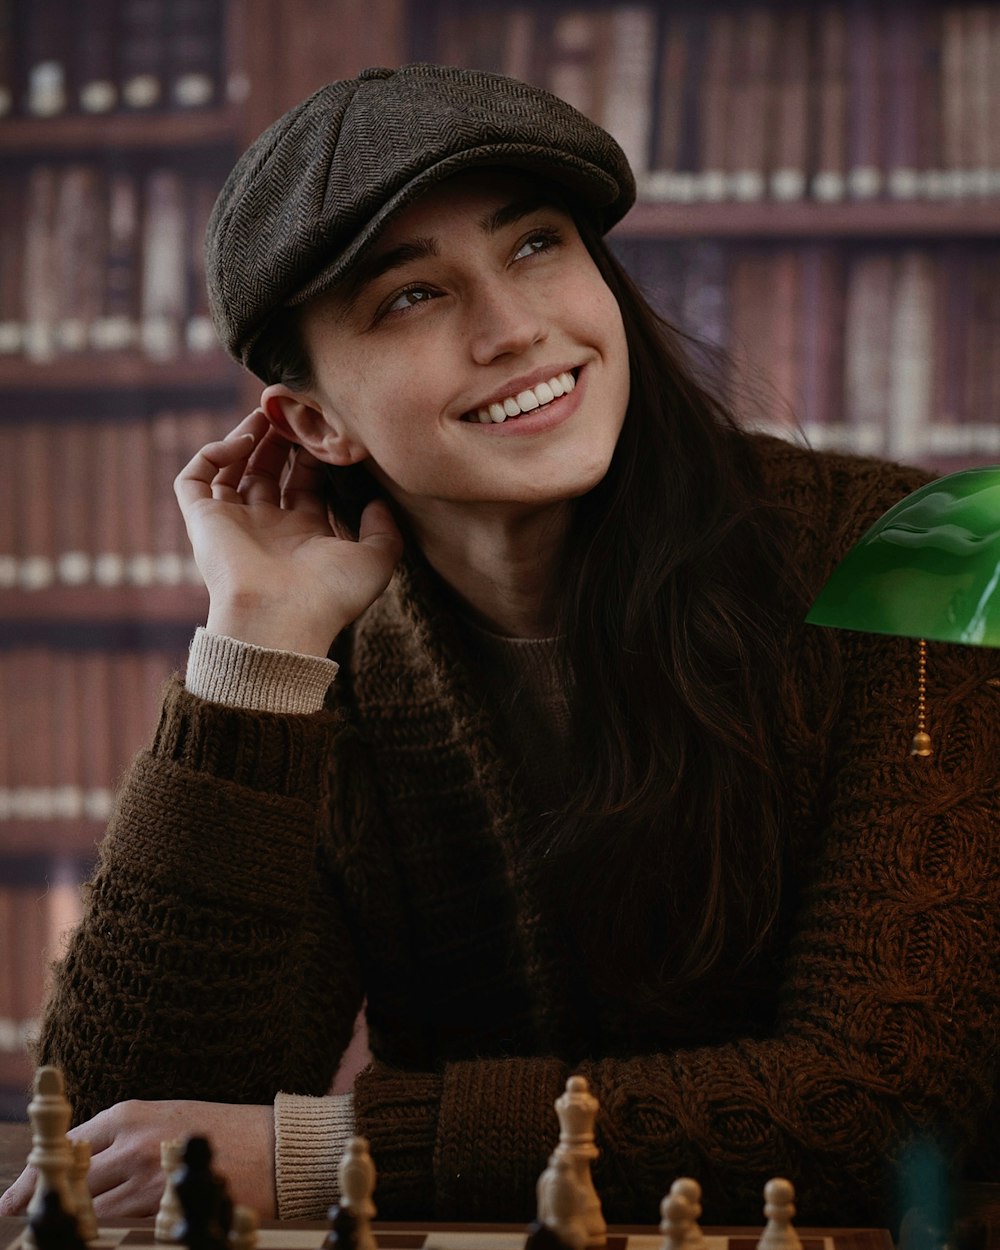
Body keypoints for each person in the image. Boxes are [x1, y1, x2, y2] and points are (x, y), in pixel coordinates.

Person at [2, 62, 998, 1232]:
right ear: (316, 421)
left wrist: (334, 1149)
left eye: (534, 245)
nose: (514, 327)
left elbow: (882, 1107)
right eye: (410, 297)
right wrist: (256, 649)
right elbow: (114, 1141)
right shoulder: (331, 668)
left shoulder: (936, 552)